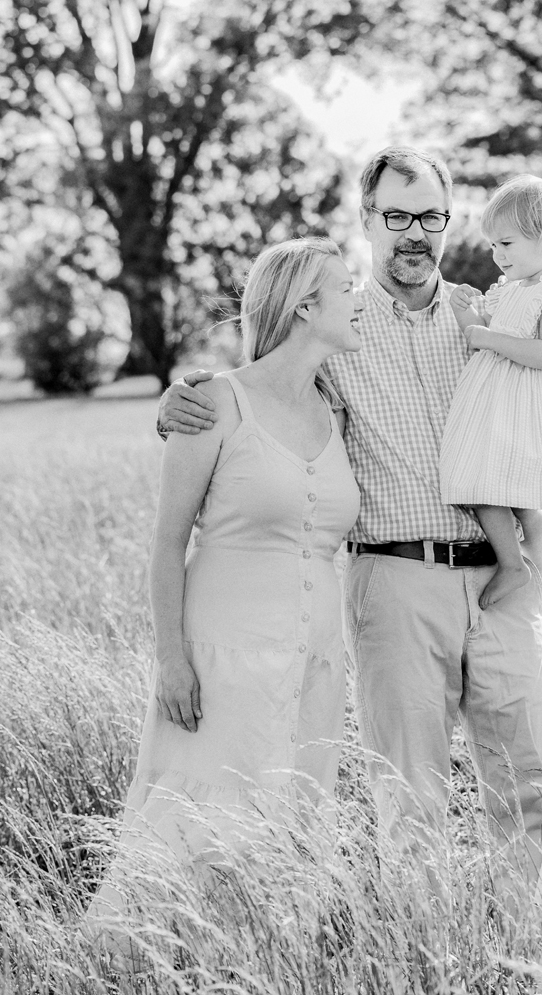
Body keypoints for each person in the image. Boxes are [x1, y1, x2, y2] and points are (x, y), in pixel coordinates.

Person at [156, 146, 542, 889]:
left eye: (430, 216)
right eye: (396, 216)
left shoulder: (489, 317)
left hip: (505, 580)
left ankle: (522, 953)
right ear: (367, 219)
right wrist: (178, 402)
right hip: (396, 581)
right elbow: (259, 393)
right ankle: (426, 952)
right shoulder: (337, 324)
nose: (415, 233)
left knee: (531, 783)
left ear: (447, 220)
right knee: (411, 797)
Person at [87, 238, 362, 967]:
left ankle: (264, 966)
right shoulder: (214, 400)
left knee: (293, 817)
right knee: (201, 819)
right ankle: (145, 966)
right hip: (219, 661)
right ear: (306, 305)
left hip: (314, 666)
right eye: (345, 286)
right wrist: (170, 660)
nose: (357, 297)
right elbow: (166, 543)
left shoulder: (339, 409)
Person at [440, 175, 542, 605]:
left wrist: (486, 336)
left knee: (517, 493)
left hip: (526, 406)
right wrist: (468, 317)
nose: (496, 255)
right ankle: (517, 563)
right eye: (493, 245)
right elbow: (483, 334)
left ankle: (538, 566)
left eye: (506, 243)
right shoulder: (510, 291)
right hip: (494, 407)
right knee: (480, 485)